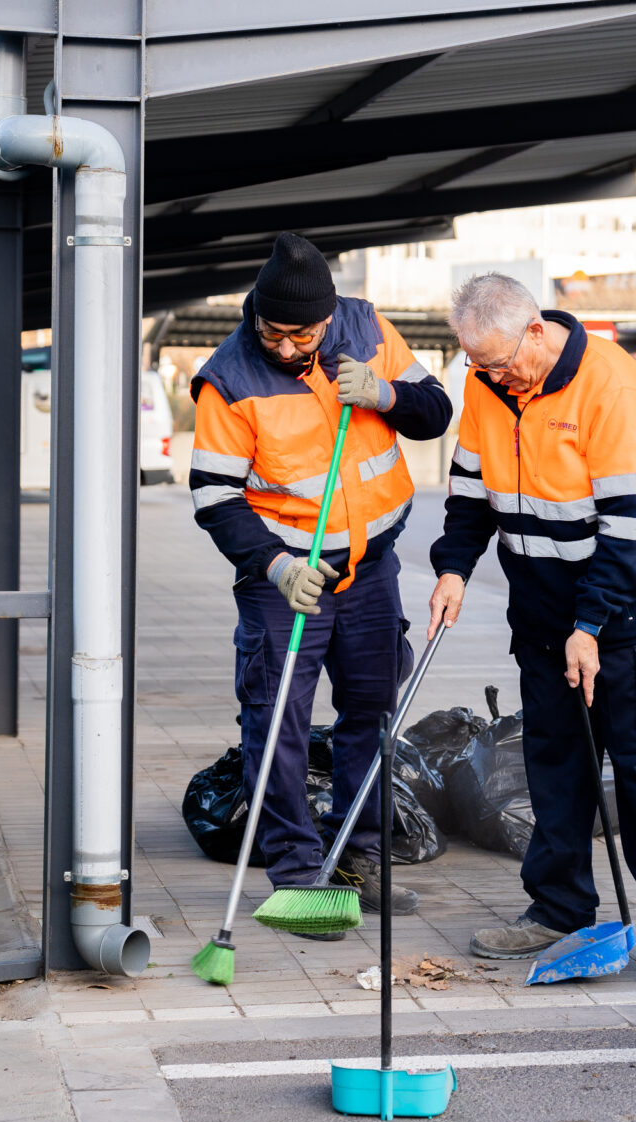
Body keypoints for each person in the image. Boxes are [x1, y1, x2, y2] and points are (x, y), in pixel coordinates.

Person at [427, 273, 636, 985]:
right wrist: (454, 568)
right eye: (477, 365)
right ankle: (558, 908)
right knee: (554, 764)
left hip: (626, 610)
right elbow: (470, 492)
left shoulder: (613, 387)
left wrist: (591, 624)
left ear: (536, 332)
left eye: (498, 363)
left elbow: (629, 527)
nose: (491, 377)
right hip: (542, 613)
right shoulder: (488, 387)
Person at [189, 232, 452, 936]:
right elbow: (214, 496)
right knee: (276, 720)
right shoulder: (229, 378)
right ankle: (298, 872)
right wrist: (276, 565)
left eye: (300, 335)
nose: (284, 347)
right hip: (286, 577)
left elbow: (434, 413)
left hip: (371, 569)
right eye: (271, 332)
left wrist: (386, 393)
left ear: (327, 319)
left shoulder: (367, 328)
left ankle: (357, 852)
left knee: (371, 710)